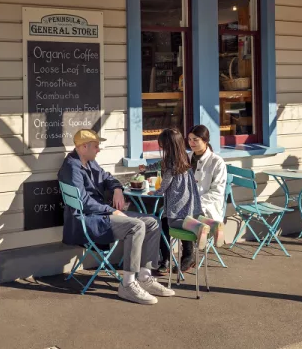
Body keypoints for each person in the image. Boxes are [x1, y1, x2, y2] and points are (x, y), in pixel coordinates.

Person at [60, 129, 174, 305]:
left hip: (102, 215)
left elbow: (107, 177)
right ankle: (127, 284)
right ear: (83, 147)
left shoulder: (89, 163)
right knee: (136, 226)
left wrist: (117, 189)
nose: (99, 149)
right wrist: (110, 210)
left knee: (152, 221)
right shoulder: (72, 167)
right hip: (90, 220)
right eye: (96, 146)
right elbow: (83, 202)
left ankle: (144, 277)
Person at [152, 129, 224, 274]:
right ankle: (168, 259)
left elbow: (217, 192)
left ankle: (181, 256)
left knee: (168, 220)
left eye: (195, 140)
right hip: (189, 207)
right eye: (189, 139)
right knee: (169, 217)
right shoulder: (186, 156)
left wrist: (192, 201)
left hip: (204, 206)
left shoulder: (217, 162)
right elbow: (165, 165)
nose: (191, 143)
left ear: (205, 141)